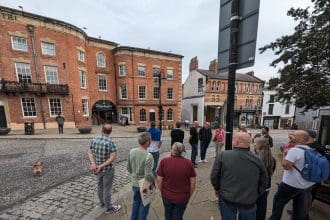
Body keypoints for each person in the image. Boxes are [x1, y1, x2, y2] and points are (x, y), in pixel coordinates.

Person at [210, 132, 268, 220]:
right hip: (249, 200)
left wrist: (217, 189)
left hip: (227, 198)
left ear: (236, 143)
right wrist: (256, 193)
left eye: (233, 139)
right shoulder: (258, 159)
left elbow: (214, 176)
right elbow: (264, 181)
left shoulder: (223, 155)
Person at [270, 130, 315, 220]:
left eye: (294, 135)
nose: (291, 136)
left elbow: (286, 166)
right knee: (299, 207)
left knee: (278, 202)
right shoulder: (311, 150)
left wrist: (284, 154)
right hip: (304, 185)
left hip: (290, 185)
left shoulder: (294, 151)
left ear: (301, 140)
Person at [157, 142, 196, 220]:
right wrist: (189, 194)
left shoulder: (164, 161)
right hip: (182, 197)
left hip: (167, 195)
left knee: (168, 214)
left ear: (173, 151)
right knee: (178, 216)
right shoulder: (189, 163)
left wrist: (161, 192)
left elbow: (159, 180)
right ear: (182, 151)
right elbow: (193, 182)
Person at [87, 123, 121, 213]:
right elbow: (112, 157)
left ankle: (102, 203)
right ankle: (109, 207)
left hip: (96, 169)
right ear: (111, 132)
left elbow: (89, 152)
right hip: (107, 169)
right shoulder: (111, 142)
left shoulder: (94, 140)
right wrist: (101, 166)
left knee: (100, 186)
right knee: (107, 188)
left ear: (101, 130)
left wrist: (93, 163)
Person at [127, 132, 155, 220]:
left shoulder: (132, 151)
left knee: (136, 202)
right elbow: (148, 174)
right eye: (150, 140)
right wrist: (154, 180)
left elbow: (129, 168)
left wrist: (135, 174)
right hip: (144, 184)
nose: (151, 142)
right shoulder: (148, 156)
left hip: (135, 183)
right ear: (147, 142)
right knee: (144, 204)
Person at [253, 137, 276, 220]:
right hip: (266, 186)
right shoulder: (271, 159)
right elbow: (271, 173)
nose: (253, 144)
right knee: (262, 205)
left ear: (259, 145)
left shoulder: (256, 159)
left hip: (256, 187)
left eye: (255, 143)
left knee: (253, 205)